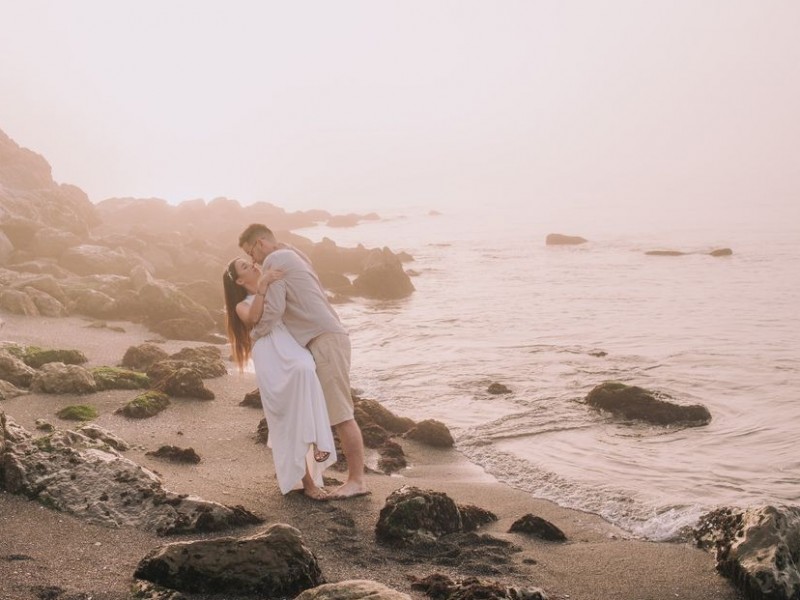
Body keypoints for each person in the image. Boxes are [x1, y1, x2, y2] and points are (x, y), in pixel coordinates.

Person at [239, 223, 369, 500]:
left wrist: (255, 336)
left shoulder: (275, 260)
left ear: (261, 243)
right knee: (334, 411)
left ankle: (357, 480)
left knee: (342, 414)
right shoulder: (294, 253)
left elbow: (275, 310)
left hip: (324, 339)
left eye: (252, 252)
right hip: (328, 335)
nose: (254, 261)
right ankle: (336, 475)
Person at [223, 257, 336, 501]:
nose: (252, 265)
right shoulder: (241, 305)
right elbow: (254, 318)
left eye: (249, 261)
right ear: (240, 281)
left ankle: (318, 440)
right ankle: (307, 482)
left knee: (306, 369)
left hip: (291, 344)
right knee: (286, 419)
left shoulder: (275, 287)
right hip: (270, 354)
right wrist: (262, 286)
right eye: (244, 267)